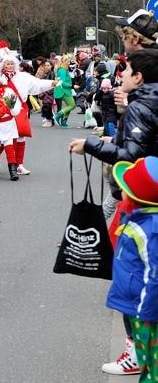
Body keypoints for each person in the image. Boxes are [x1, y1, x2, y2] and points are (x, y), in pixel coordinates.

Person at [69, 48, 158, 375]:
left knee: (131, 280)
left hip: (141, 200)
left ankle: (137, 354)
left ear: (139, 77)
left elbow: (132, 155)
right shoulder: (144, 103)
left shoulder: (140, 105)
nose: (120, 75)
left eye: (127, 70)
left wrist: (90, 145)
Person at [105, 156, 158, 380]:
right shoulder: (139, 219)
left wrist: (145, 310)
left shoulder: (149, 228)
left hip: (144, 309)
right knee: (147, 356)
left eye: (124, 188)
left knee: (151, 363)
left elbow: (155, 274)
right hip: (138, 304)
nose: (120, 191)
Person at [52, 55, 75, 127]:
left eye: (69, 61)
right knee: (72, 105)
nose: (68, 63)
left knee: (70, 106)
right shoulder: (62, 70)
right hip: (64, 90)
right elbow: (61, 81)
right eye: (67, 61)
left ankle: (63, 121)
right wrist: (71, 85)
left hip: (65, 90)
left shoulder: (63, 69)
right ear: (63, 61)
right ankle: (58, 115)